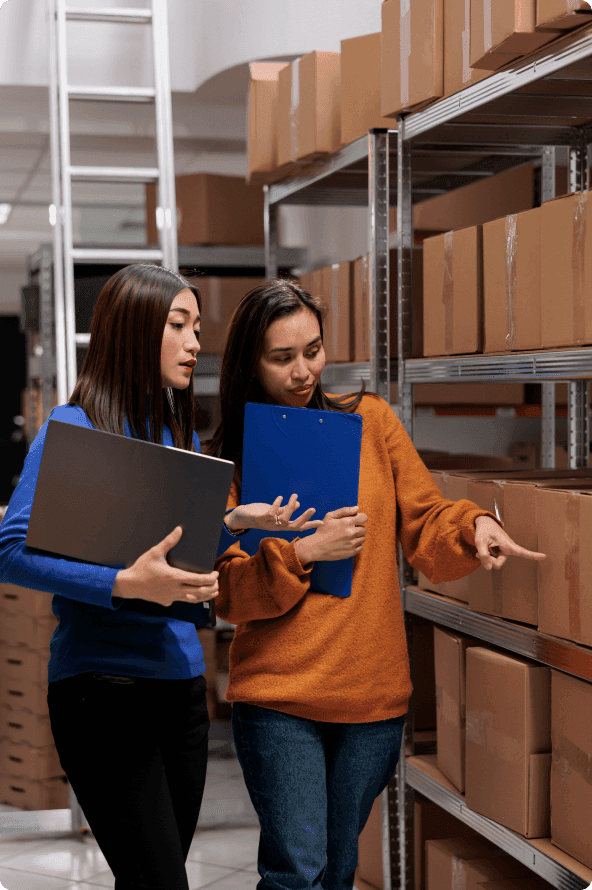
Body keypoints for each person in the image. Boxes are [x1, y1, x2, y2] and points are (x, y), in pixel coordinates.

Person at [203, 278, 547, 890]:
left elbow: (424, 519)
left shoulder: (372, 422)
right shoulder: (230, 457)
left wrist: (475, 525)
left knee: (337, 874)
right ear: (248, 363)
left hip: (370, 696)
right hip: (279, 696)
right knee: (297, 874)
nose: (304, 371)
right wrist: (303, 552)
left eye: (313, 349)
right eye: (282, 358)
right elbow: (227, 592)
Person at [0, 263, 310, 890]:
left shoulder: (178, 434)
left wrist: (230, 522)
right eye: (179, 326)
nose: (197, 343)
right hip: (102, 690)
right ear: (137, 330)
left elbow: (173, 556)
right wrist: (123, 585)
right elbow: (11, 549)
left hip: (180, 689)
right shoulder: (74, 427)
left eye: (198, 327)